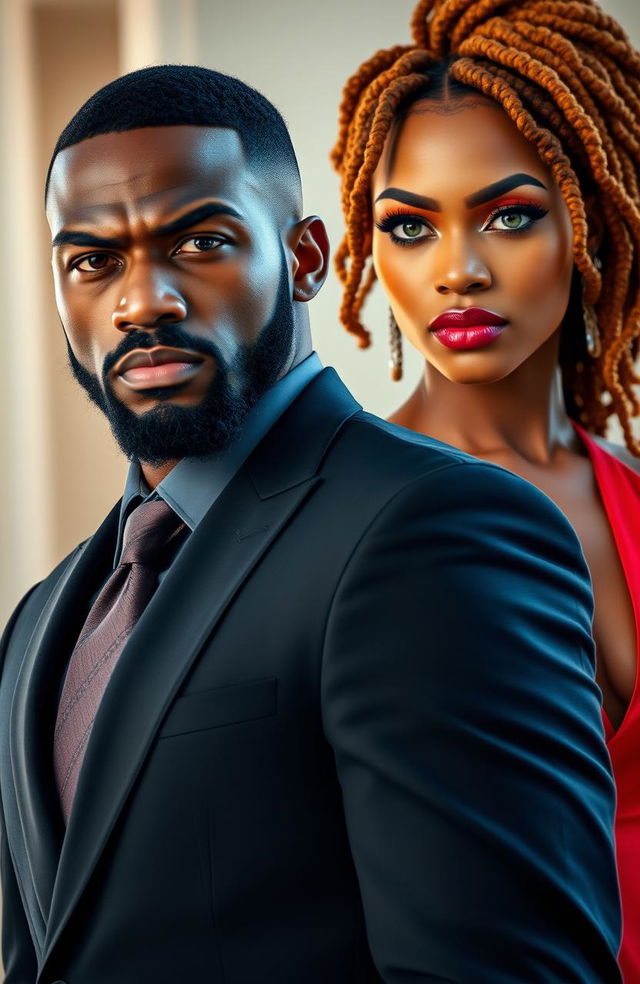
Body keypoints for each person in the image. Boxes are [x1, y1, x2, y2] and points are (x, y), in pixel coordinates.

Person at [0, 65, 621, 984]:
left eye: (200, 241)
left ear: (304, 258)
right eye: (93, 261)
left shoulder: (439, 528)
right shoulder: (43, 616)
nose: (143, 302)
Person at [331, 0, 640, 978]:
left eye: (509, 216)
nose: (457, 271)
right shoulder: (329, 514)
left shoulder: (632, 491)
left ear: (593, 210)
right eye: (410, 226)